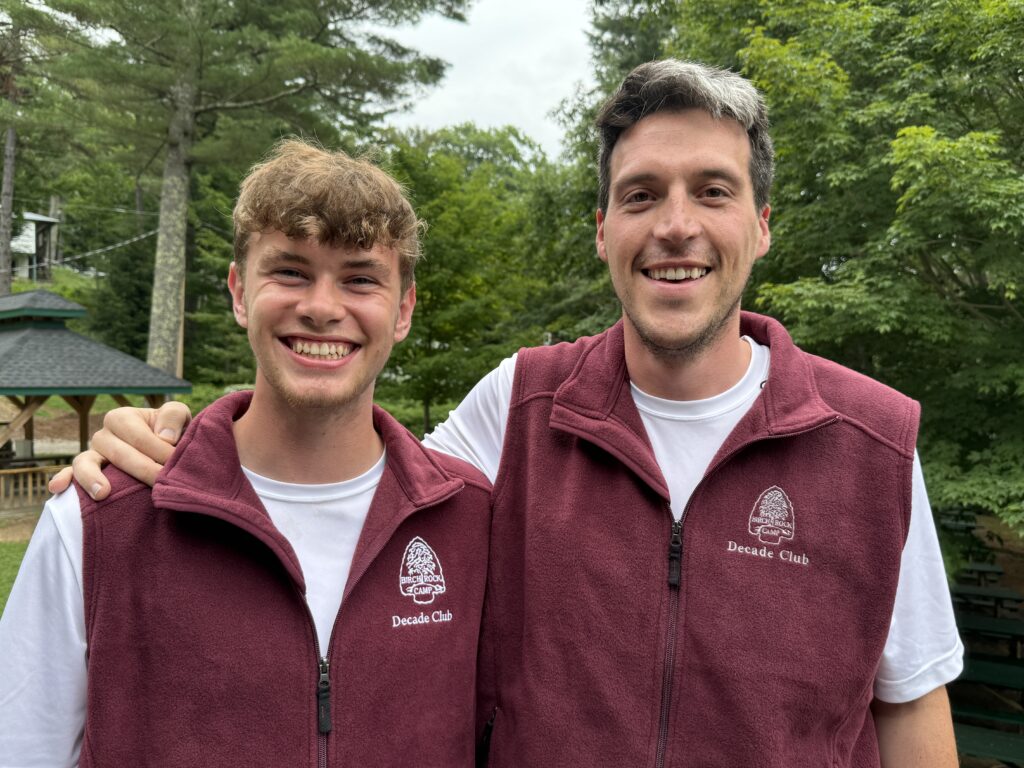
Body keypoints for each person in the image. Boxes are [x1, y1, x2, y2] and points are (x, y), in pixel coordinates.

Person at [51, 61, 962, 767]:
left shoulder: (871, 443)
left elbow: (911, 703)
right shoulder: (521, 406)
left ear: (761, 224)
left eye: (712, 191)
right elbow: (333, 462)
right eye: (640, 194)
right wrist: (173, 440)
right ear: (603, 228)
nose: (674, 225)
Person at [0, 139, 492, 767]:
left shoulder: (471, 522)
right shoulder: (96, 521)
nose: (320, 308)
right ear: (238, 291)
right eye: (289, 271)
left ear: (404, 309)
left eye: (360, 278)